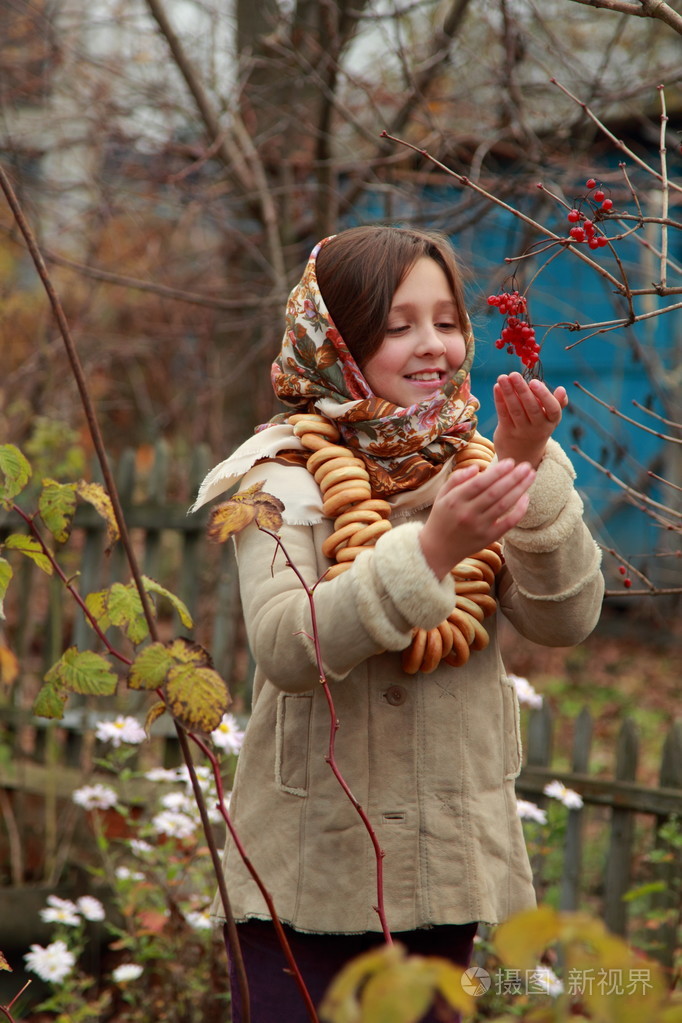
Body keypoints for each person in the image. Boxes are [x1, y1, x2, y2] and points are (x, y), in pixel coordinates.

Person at [192, 225, 604, 1021]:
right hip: (304, 867)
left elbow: (565, 620)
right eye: (397, 326)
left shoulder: (480, 458)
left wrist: (525, 467)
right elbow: (286, 647)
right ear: (336, 341)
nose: (433, 346)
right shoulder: (277, 473)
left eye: (447, 321)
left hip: (444, 859)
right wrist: (433, 549)